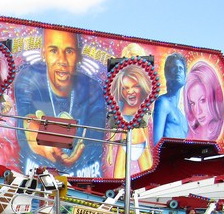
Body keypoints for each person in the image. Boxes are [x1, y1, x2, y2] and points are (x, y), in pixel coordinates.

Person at [14, 29, 105, 176]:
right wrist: (32, 130)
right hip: (34, 181)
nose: (62, 61)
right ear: (44, 54)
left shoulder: (93, 90)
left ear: (78, 56)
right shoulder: (28, 79)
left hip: (83, 181)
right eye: (54, 51)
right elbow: (25, 118)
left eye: (69, 51)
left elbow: (94, 138)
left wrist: (72, 149)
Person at [106, 63, 154, 178]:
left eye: (135, 86)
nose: (130, 91)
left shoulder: (144, 107)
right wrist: (110, 149)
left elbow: (145, 130)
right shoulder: (118, 109)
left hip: (142, 145)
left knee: (148, 178)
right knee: (117, 179)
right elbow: (113, 128)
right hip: (123, 145)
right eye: (125, 88)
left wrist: (149, 149)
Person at [152, 53, 188, 145]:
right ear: (167, 73)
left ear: (185, 76)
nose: (178, 71)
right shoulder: (163, 102)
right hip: (165, 158)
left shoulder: (182, 116)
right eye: (174, 67)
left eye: (181, 68)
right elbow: (156, 142)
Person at [185, 61, 224, 141]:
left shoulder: (222, 131)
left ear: (215, 97)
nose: (198, 111)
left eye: (202, 100)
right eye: (192, 103)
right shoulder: (187, 135)